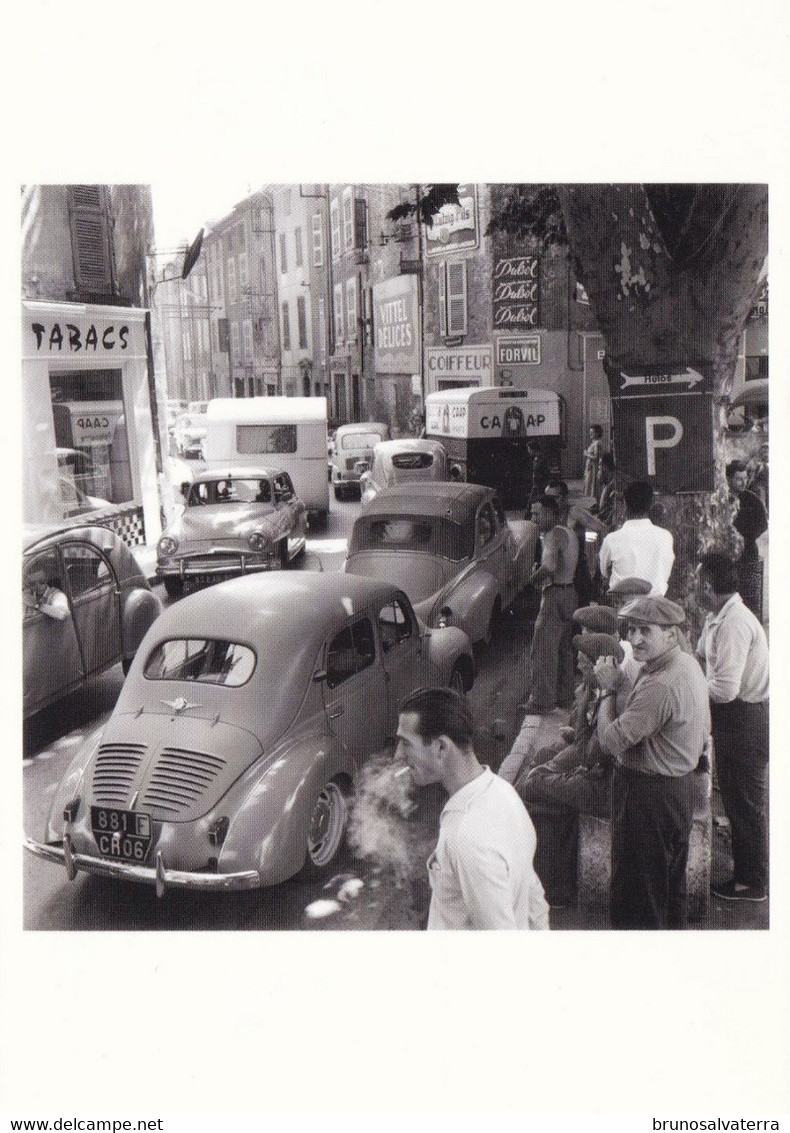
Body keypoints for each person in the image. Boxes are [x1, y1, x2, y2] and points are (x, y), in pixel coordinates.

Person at [594, 596, 711, 929]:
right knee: (669, 892)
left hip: (647, 798)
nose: (634, 639)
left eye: (645, 630)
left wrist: (606, 692)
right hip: (677, 792)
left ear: (671, 634)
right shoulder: (685, 665)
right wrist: (620, 683)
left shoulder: (660, 683)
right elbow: (651, 712)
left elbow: (610, 741)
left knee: (637, 900)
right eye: (631, 629)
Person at [395, 687, 549, 930]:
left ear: (441, 748)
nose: (397, 756)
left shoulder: (467, 836)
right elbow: (535, 900)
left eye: (406, 744)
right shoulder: (503, 791)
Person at [521, 632, 632, 907]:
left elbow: (595, 751)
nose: (580, 668)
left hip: (606, 787)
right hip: (597, 777)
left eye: (585, 664)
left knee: (534, 783)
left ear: (601, 666)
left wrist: (583, 719)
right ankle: (552, 880)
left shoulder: (612, 700)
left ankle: (555, 887)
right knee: (538, 787)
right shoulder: (598, 693)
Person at [696, 553, 769, 902]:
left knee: (744, 801)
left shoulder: (735, 624)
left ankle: (751, 883)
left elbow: (725, 689)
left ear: (708, 587)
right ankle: (750, 873)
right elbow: (699, 656)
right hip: (732, 718)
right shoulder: (717, 617)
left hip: (744, 718)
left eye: (699, 583)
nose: (697, 589)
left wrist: (689, 689)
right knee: (737, 798)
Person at [525, 494, 579, 714]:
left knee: (543, 651)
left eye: (538, 514)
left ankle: (541, 702)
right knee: (565, 650)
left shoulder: (552, 535)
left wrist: (531, 580)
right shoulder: (569, 533)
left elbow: (549, 566)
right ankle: (565, 697)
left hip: (555, 594)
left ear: (550, 513)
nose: (534, 518)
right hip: (571, 593)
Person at [599, 480, 675, 596]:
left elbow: (604, 572)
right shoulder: (666, 537)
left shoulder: (612, 539)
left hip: (624, 608)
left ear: (624, 504)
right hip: (656, 606)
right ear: (651, 504)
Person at [726, 459, 768, 617]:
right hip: (728, 555)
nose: (743, 482)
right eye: (738, 478)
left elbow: (763, 524)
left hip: (748, 553)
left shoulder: (752, 499)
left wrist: (746, 537)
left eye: (745, 478)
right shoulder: (722, 500)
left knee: (749, 597)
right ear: (729, 479)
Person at [582, 424, 604, 498]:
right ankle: (596, 503)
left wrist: (586, 454)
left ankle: (598, 504)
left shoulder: (597, 443)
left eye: (592, 432)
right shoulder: (593, 443)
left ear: (597, 433)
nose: (590, 434)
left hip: (594, 468)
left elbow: (596, 457)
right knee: (591, 486)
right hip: (590, 467)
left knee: (595, 486)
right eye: (590, 432)